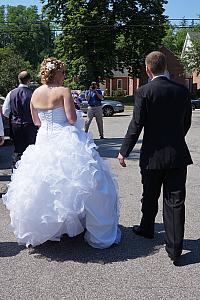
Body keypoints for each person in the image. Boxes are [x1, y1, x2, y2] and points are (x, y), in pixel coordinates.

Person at [3, 57, 121, 249]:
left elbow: (36, 122)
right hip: (65, 137)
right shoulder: (64, 91)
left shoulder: (34, 94)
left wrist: (48, 124)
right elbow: (72, 118)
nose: (64, 76)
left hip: (44, 139)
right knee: (86, 181)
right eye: (63, 72)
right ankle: (92, 228)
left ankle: (51, 228)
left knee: (45, 183)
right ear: (56, 73)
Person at [118, 51, 192, 263]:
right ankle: (175, 247)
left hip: (152, 156)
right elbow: (186, 122)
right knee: (175, 200)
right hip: (178, 155)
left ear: (148, 69)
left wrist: (124, 151)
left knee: (149, 194)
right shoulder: (181, 90)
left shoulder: (144, 92)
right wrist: (176, 138)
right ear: (165, 66)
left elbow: (136, 125)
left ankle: (147, 228)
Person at [2, 71, 38, 168]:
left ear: (19, 80)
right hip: (30, 124)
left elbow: (5, 111)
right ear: (29, 80)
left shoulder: (11, 93)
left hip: (16, 125)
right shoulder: (33, 94)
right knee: (31, 149)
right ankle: (30, 169)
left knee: (18, 149)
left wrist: (14, 116)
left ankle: (16, 169)